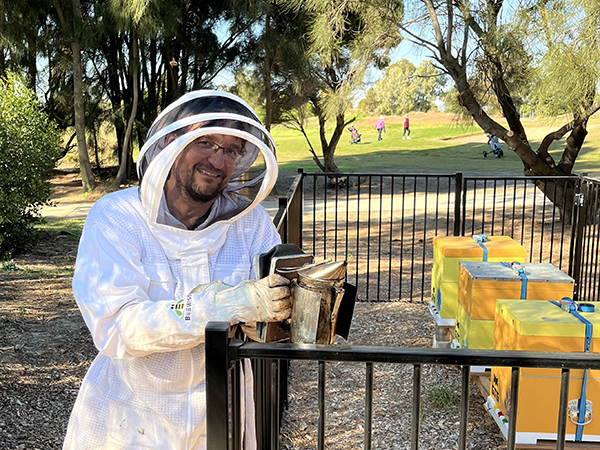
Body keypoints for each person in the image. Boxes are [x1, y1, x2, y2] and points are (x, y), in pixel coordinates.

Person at [63, 90, 293, 449]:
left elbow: (277, 310)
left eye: (231, 149)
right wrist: (219, 307)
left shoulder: (251, 225)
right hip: (134, 416)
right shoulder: (118, 218)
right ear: (172, 142)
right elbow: (118, 328)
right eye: (206, 142)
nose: (217, 161)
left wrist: (294, 302)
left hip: (223, 412)